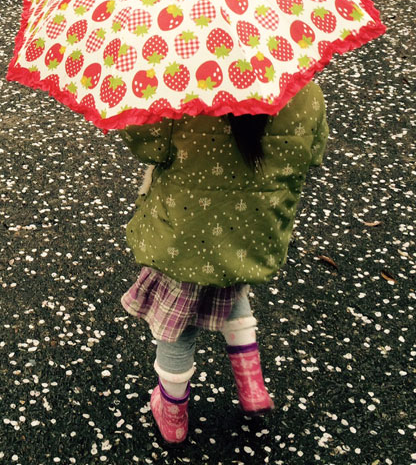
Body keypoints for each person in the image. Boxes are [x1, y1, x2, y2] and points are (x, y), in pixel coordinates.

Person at [118, 81, 329, 444]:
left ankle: (172, 413)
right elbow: (314, 151)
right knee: (230, 284)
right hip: (250, 229)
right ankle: (252, 386)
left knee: (178, 326)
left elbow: (148, 143)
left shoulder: (182, 88)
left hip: (187, 235)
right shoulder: (302, 89)